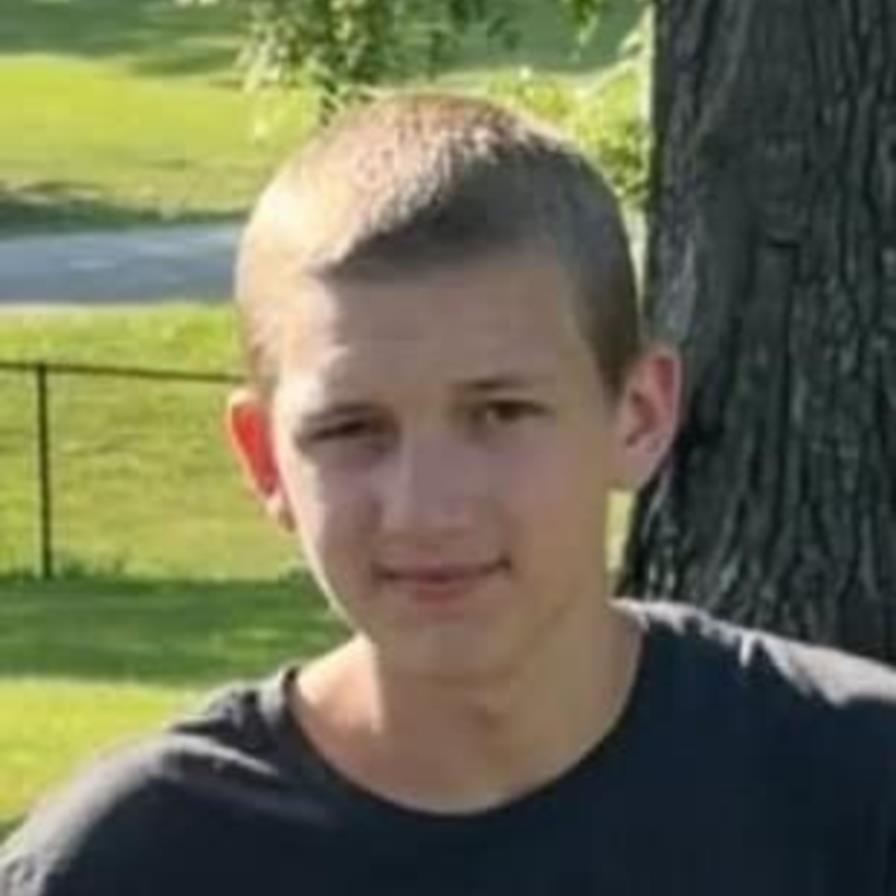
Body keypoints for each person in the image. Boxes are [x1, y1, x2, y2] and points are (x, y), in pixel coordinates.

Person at [2, 92, 895, 895]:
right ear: (265, 459)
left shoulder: (854, 788)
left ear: (638, 416)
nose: (425, 510)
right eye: (352, 429)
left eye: (501, 412)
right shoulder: (132, 863)